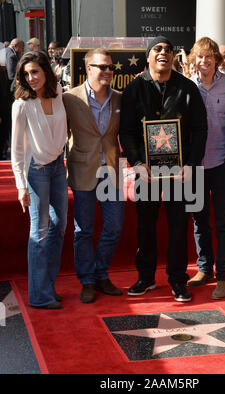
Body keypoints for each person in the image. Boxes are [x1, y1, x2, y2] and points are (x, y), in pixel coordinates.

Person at [119, 36, 207, 302]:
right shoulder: (134, 89)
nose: (164, 53)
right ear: (148, 56)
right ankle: (146, 277)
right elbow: (127, 131)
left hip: (179, 173)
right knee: (145, 226)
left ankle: (178, 280)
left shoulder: (187, 88)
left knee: (178, 226)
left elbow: (200, 129)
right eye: (158, 49)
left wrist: (192, 164)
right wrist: (137, 163)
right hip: (145, 171)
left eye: (169, 49)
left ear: (173, 57)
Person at [63, 48, 124, 303]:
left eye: (110, 67)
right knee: (83, 231)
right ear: (88, 69)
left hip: (110, 171)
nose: (108, 71)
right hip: (82, 170)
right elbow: (59, 134)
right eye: (102, 67)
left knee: (114, 227)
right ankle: (87, 280)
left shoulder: (120, 99)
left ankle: (100, 272)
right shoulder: (69, 99)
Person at [11, 51, 68, 309]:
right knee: (40, 231)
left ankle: (48, 285)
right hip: (36, 171)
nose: (31, 78)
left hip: (58, 167)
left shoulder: (59, 97)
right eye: (26, 74)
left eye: (35, 71)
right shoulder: (21, 105)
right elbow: (17, 149)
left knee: (60, 225)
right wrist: (21, 184)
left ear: (46, 71)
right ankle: (39, 295)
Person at [188, 37, 225, 300]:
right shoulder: (186, 86)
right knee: (199, 219)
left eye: (209, 56)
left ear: (217, 59)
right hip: (194, 165)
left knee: (224, 221)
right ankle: (204, 268)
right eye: (200, 56)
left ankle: (224, 276)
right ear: (193, 58)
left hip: (221, 164)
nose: (204, 61)